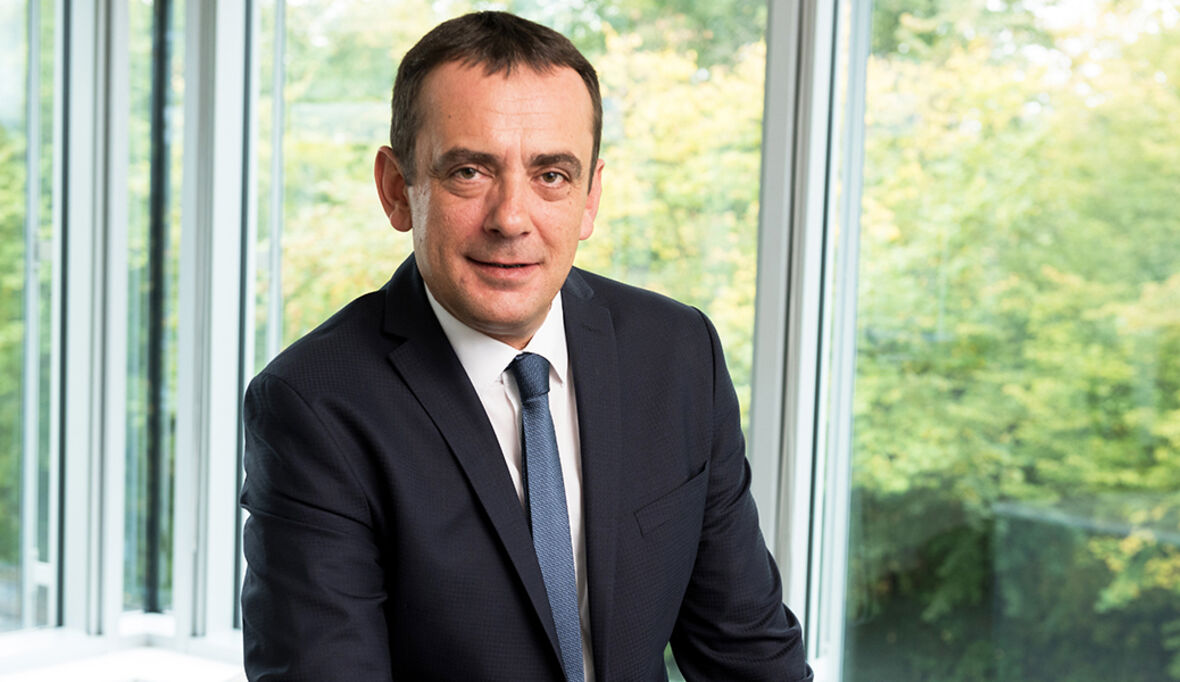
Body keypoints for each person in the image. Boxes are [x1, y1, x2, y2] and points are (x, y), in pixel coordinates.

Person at [240, 10, 812, 682]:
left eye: (552, 175)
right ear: (398, 190)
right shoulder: (313, 407)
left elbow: (749, 653)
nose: (511, 218)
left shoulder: (678, 354)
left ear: (590, 197)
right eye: (469, 171)